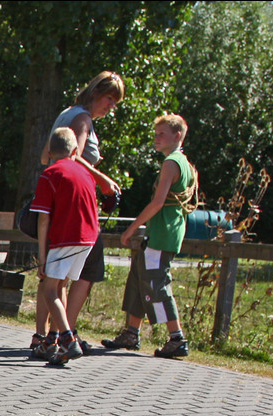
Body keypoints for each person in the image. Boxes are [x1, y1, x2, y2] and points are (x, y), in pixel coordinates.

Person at [32, 71, 125, 355]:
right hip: (77, 210)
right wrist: (103, 180)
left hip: (57, 206)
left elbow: (46, 156)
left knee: (52, 278)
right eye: (110, 99)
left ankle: (46, 335)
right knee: (80, 275)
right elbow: (75, 160)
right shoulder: (82, 119)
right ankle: (65, 334)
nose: (111, 107)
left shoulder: (66, 113)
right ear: (96, 92)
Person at [104, 114, 197, 358]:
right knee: (139, 277)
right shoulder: (184, 163)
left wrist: (131, 228)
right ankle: (131, 333)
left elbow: (157, 203)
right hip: (168, 230)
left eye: (161, 134)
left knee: (156, 283)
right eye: (155, 134)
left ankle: (176, 338)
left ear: (177, 135)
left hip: (162, 233)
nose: (156, 139)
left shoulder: (171, 164)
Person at [32, 127, 100, 364]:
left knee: (49, 290)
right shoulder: (86, 173)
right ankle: (54, 343)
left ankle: (69, 340)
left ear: (50, 152)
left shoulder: (50, 174)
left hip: (65, 237)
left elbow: (43, 219)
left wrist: (42, 256)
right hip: (89, 238)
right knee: (61, 285)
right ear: (75, 150)